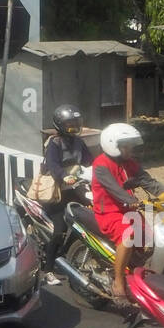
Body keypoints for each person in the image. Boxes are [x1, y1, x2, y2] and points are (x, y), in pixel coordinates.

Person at [90, 122, 164, 305]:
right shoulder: (100, 165)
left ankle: (141, 277)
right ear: (113, 145)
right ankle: (118, 282)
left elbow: (150, 183)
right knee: (128, 236)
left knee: (149, 238)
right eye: (126, 146)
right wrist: (132, 201)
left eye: (130, 146)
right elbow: (114, 189)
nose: (130, 150)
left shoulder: (130, 164)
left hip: (129, 210)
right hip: (109, 212)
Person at [39, 105, 95, 285]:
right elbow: (53, 166)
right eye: (69, 124)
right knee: (59, 230)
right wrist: (65, 176)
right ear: (60, 125)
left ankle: (70, 253)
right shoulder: (54, 143)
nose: (73, 127)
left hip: (75, 189)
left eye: (75, 123)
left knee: (89, 218)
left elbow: (91, 162)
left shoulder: (79, 142)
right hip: (57, 192)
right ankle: (48, 270)